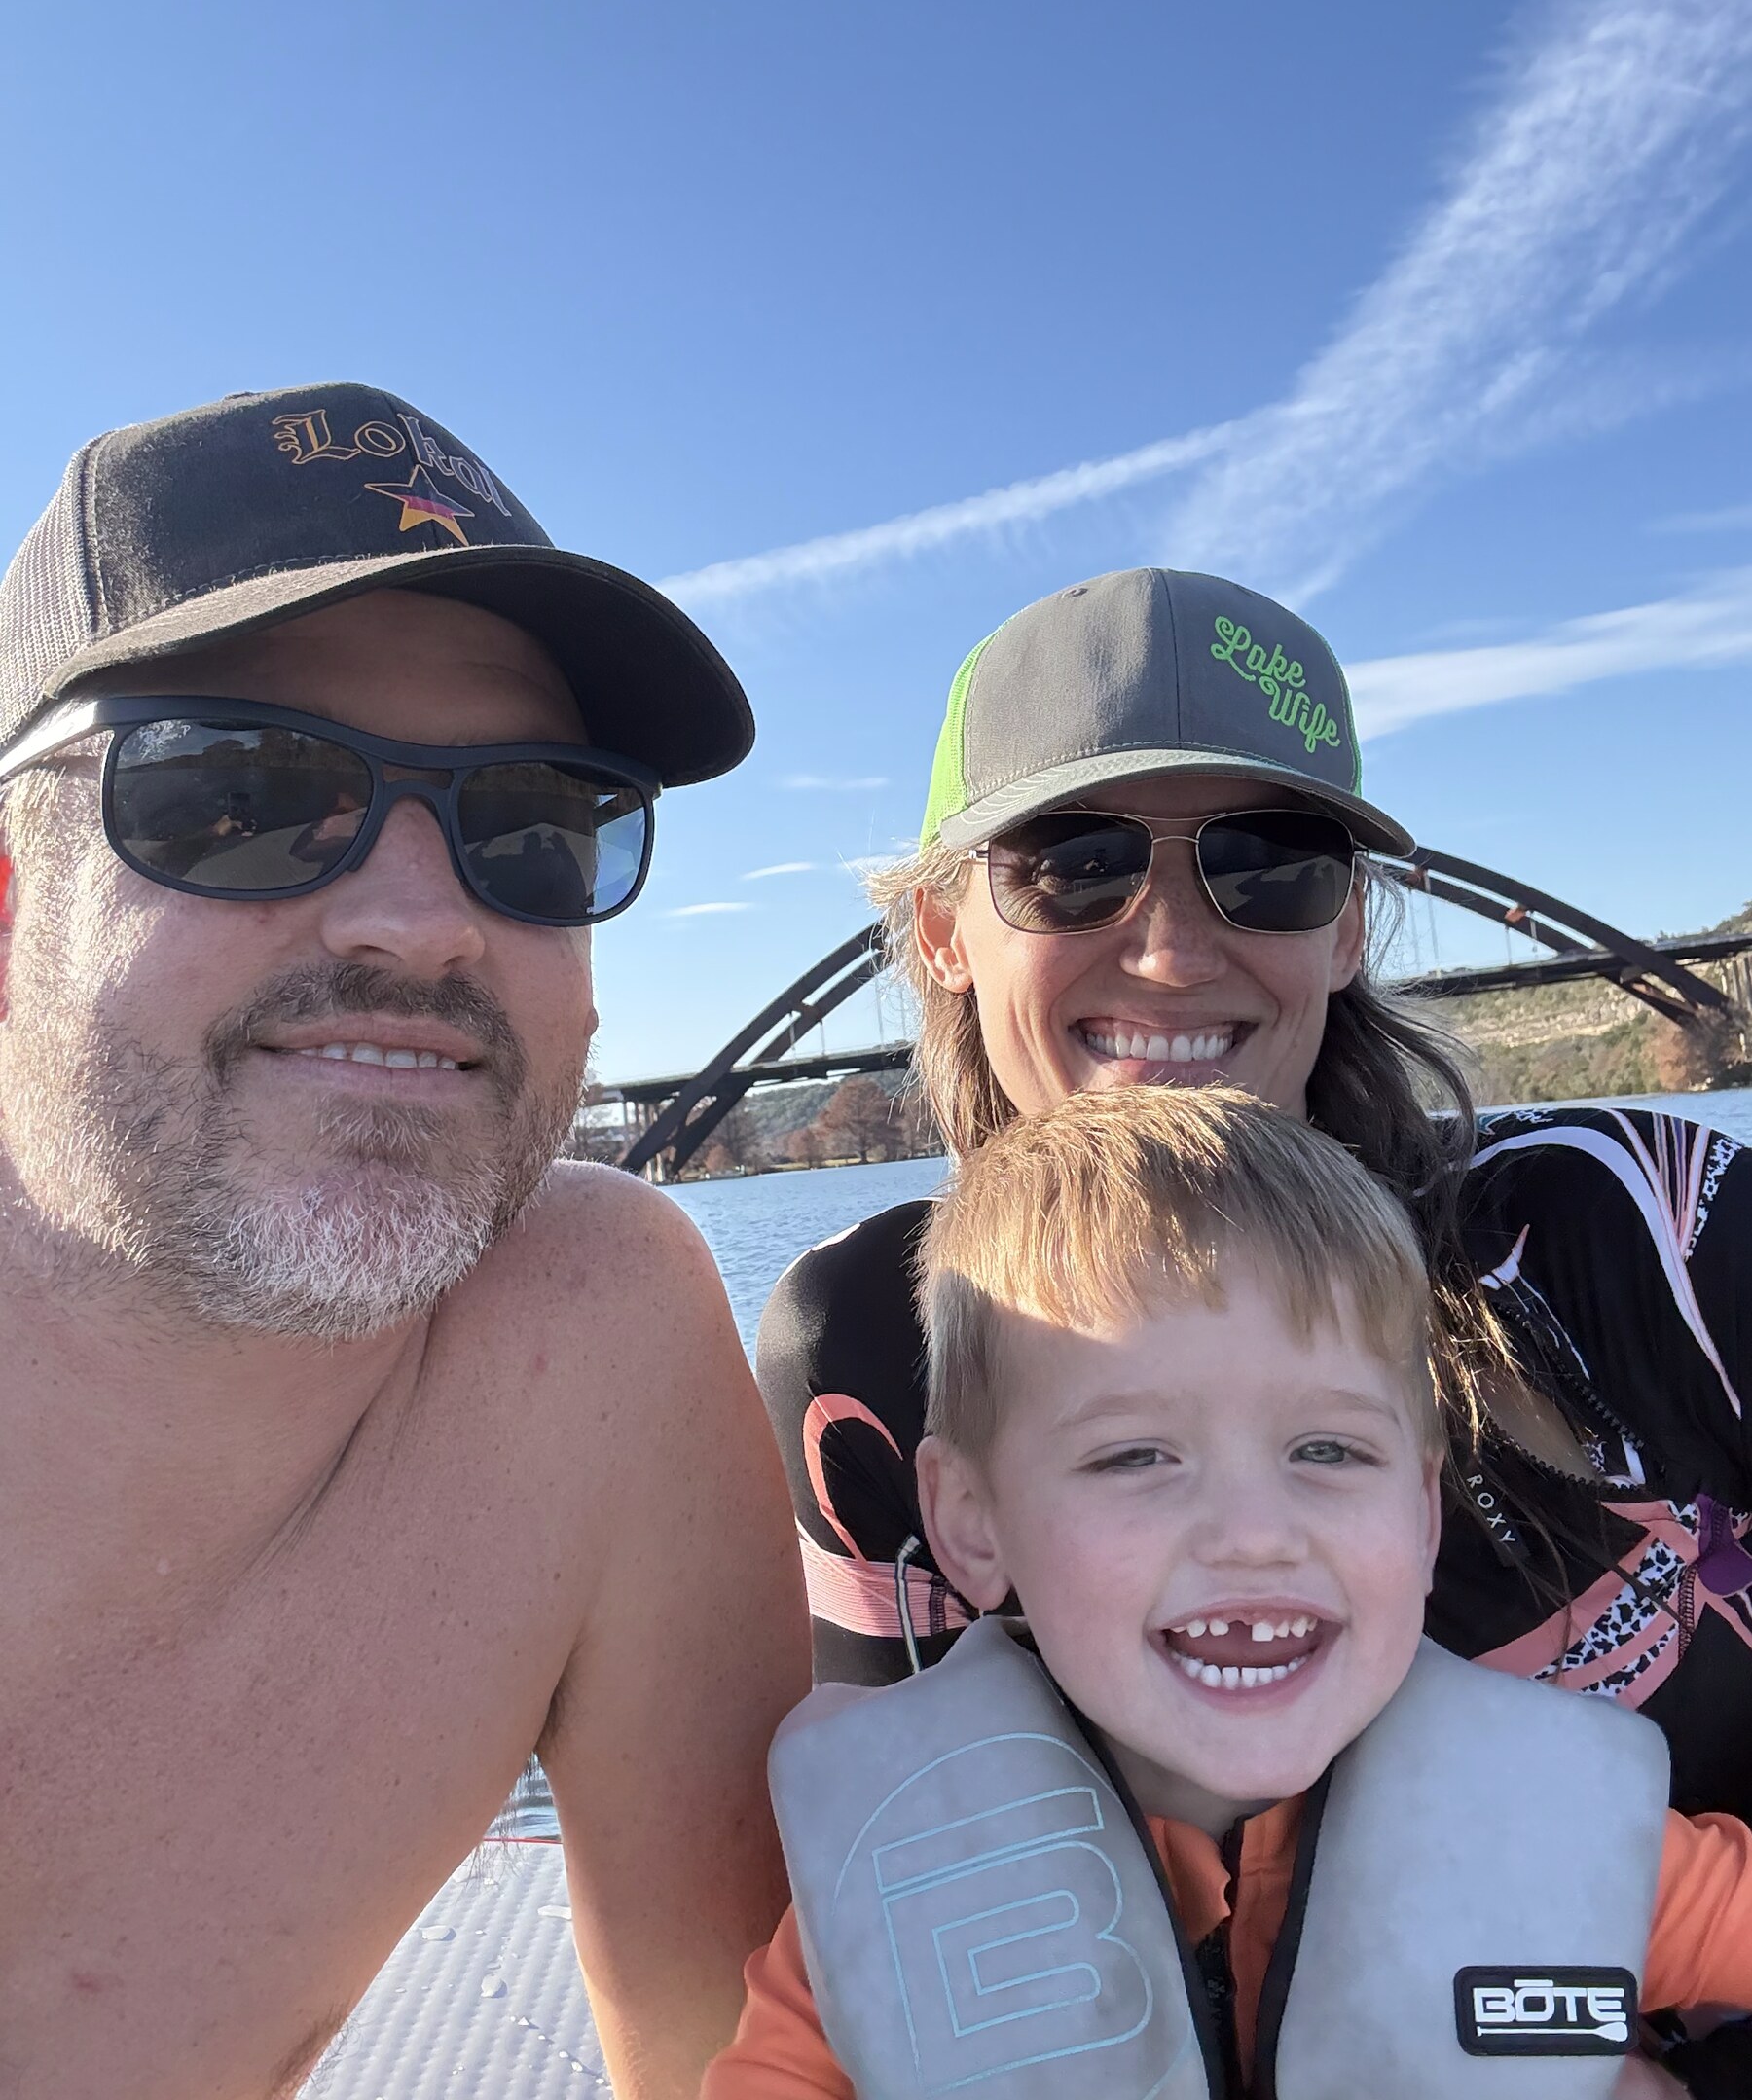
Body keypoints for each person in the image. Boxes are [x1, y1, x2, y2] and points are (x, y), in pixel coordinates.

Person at [754, 567, 1751, 2092]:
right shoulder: (874, 1357)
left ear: (1350, 926)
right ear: (945, 927)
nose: (1167, 950)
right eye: (1073, 864)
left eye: (1270, 865)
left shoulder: (1656, 1223)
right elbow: (933, 1908)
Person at [0, 384, 809, 2100]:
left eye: (533, 821)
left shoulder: (598, 1340)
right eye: (240, 790)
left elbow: (731, 2066)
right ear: (13, 895)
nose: (429, 924)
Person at [712, 1090, 1752, 2096]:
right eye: (1135, 1458)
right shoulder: (889, 1907)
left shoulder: (1569, 1843)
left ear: (1424, 1510)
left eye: (1328, 1448)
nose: (1255, 1535)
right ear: (973, 1521)